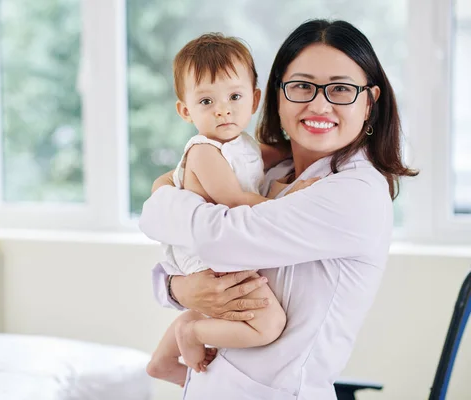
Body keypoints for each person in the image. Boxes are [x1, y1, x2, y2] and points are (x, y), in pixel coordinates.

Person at [139, 19, 418, 399]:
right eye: (302, 86)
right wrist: (179, 287)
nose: (319, 103)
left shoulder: (357, 192)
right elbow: (167, 217)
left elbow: (212, 237)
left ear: (369, 102)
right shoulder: (270, 169)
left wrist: (162, 202)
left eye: (341, 89)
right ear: (275, 95)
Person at [145, 33, 318, 388]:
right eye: (206, 100)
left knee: (216, 305)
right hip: (209, 258)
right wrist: (290, 197)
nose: (223, 109)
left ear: (254, 99)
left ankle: (162, 362)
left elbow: (285, 151)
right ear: (185, 110)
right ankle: (191, 333)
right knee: (267, 324)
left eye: (234, 97)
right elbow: (234, 199)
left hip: (220, 254)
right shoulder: (204, 151)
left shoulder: (244, 144)